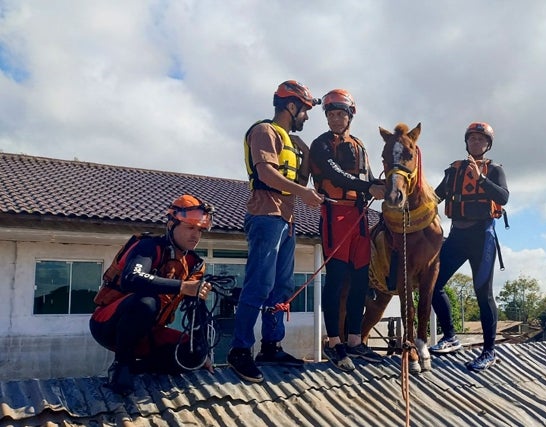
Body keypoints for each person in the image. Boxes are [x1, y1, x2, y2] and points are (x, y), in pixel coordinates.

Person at [228, 80, 324, 383]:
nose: (306, 117)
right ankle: (239, 350)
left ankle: (271, 345)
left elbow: (316, 172)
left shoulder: (295, 144)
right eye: (305, 110)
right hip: (265, 216)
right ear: (291, 106)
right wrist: (303, 193)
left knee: (281, 287)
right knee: (259, 283)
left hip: (287, 221)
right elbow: (267, 173)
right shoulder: (264, 132)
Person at [90, 194, 215, 395]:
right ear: (171, 224)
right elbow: (132, 277)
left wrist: (202, 353)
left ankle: (138, 368)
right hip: (109, 324)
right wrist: (183, 286)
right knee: (147, 302)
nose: (196, 235)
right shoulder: (149, 246)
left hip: (150, 332)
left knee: (194, 355)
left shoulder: (195, 264)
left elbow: (196, 309)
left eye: (200, 230)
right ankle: (121, 366)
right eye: (190, 228)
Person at [309, 89, 385, 372]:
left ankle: (355, 340)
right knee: (337, 279)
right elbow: (333, 174)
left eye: (341, 114)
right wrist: (368, 187)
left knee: (360, 280)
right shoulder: (321, 145)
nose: (336, 119)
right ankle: (334, 342)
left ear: (350, 116)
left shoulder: (360, 145)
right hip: (335, 214)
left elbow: (368, 178)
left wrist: (387, 184)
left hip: (360, 216)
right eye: (331, 114)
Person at [429, 122, 509, 372]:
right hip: (457, 236)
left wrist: (481, 178)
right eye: (472, 139)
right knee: (433, 284)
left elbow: (503, 197)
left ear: (488, 145)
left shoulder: (494, 169)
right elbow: (435, 196)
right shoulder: (454, 170)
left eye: (480, 140)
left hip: (482, 236)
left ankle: (489, 352)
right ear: (467, 142)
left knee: (483, 295)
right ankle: (451, 337)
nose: (476, 143)